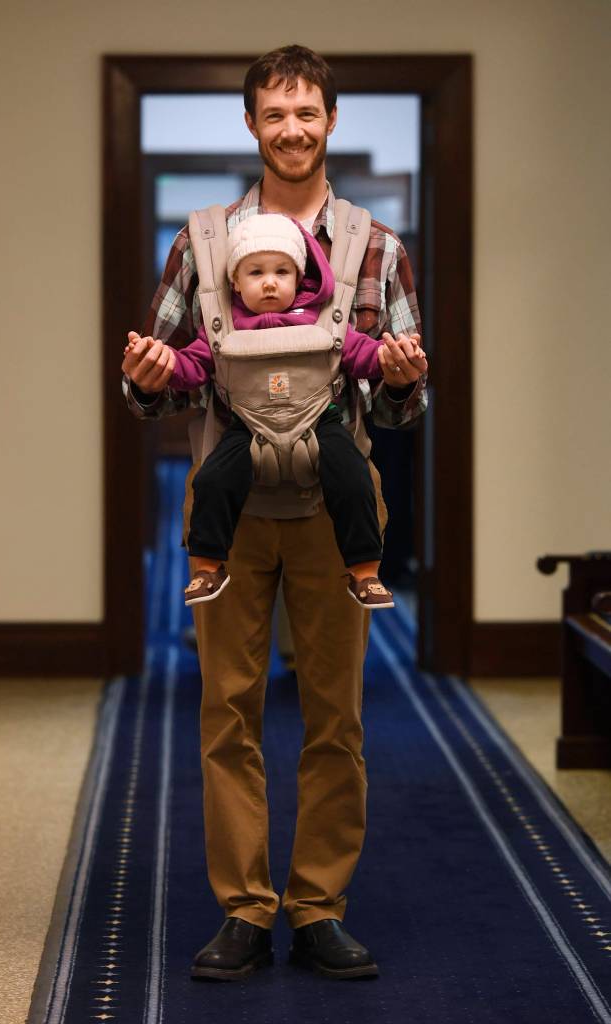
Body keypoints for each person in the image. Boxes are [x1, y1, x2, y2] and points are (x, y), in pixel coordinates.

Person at [122, 43, 428, 981]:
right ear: (251, 124)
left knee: (335, 717)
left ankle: (320, 906)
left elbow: (400, 404)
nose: (291, 129)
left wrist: (407, 379)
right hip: (234, 508)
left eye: (308, 112)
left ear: (331, 120)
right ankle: (246, 910)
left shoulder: (378, 247)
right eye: (274, 114)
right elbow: (168, 380)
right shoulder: (202, 243)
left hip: (338, 510)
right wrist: (142, 380)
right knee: (228, 714)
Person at [126, 212, 425, 611]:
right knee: (212, 480)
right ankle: (206, 565)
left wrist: (392, 360)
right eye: (255, 272)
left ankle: (365, 571)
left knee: (354, 477)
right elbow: (190, 368)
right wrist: (157, 364)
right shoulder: (221, 327)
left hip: (319, 421)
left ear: (301, 277)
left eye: (282, 272)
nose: (269, 282)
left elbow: (363, 356)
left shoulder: (324, 320)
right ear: (234, 281)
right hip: (247, 425)